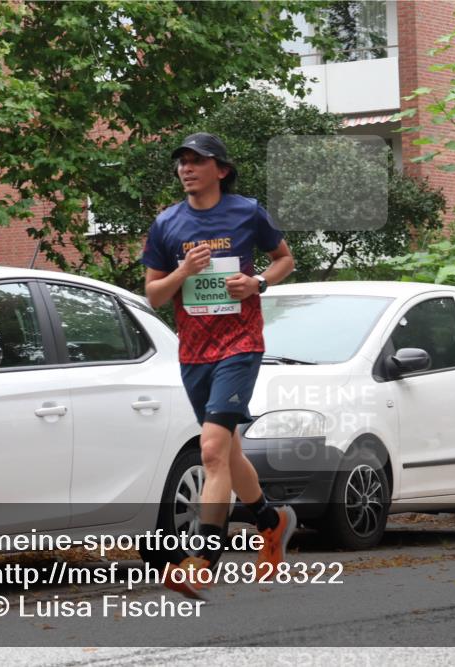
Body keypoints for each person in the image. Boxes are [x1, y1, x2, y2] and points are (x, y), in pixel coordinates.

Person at [142, 132, 297, 599]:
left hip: (239, 344)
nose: (186, 169)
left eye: (197, 161)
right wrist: (183, 272)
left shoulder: (247, 212)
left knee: (210, 449)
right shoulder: (166, 223)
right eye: (182, 162)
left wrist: (257, 283)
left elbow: (285, 259)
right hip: (193, 351)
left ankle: (203, 559)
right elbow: (152, 293)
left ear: (221, 170)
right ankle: (273, 521)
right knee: (227, 453)